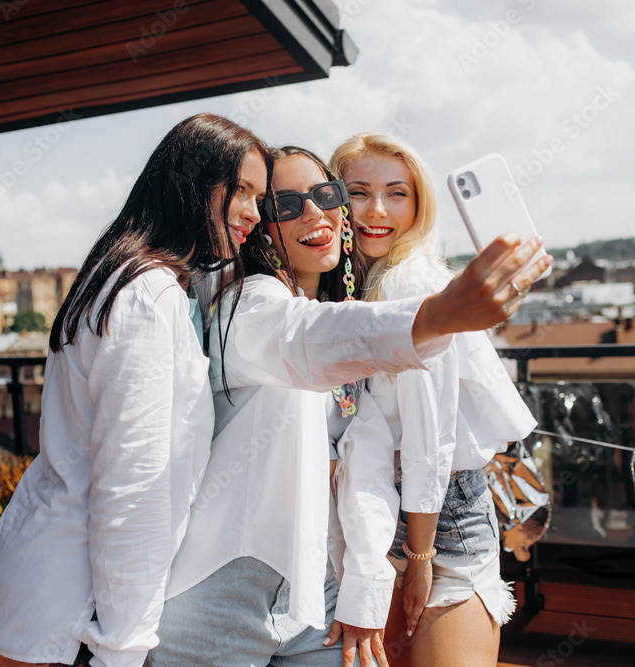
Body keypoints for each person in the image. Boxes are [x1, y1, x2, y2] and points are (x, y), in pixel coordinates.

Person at [148, 143, 551, 667]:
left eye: (325, 194)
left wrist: (363, 587)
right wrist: (439, 315)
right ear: (263, 228)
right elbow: (304, 338)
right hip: (221, 587)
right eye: (286, 205)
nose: (313, 213)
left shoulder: (350, 305)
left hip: (318, 592)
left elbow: (367, 458)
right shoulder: (246, 306)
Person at [0, 113, 273, 667]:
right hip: (77, 609)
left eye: (261, 198)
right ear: (192, 184)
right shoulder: (150, 297)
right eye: (243, 192)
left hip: (48, 580)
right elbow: (132, 485)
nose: (255, 214)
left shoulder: (118, 274)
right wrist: (123, 649)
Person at [331, 133, 541, 667]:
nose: (376, 211)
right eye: (358, 192)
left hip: (439, 511)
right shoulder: (359, 285)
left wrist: (420, 553)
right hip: (379, 510)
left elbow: (431, 439)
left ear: (419, 204)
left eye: (396, 193)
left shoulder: (411, 280)